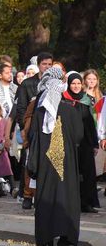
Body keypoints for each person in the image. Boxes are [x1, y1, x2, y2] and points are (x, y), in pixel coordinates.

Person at [28, 67, 83, 246]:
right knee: (67, 198)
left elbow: (33, 137)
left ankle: (46, 237)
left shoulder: (40, 112)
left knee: (46, 200)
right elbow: (78, 137)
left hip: (45, 167)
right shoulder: (71, 110)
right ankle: (66, 237)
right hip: (66, 166)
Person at [15, 52, 53, 209]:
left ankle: (43, 195)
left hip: (49, 129)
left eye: (50, 64)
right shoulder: (28, 84)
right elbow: (21, 108)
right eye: (44, 64)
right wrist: (24, 129)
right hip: (32, 129)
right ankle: (27, 195)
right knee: (30, 162)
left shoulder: (55, 84)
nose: (47, 67)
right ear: (38, 65)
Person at [64, 72, 100, 212]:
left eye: (79, 83)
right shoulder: (63, 99)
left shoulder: (85, 100)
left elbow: (90, 123)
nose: (76, 86)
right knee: (71, 173)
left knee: (87, 173)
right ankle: (71, 202)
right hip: (69, 142)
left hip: (85, 143)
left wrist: (94, 144)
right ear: (69, 84)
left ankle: (86, 203)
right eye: (73, 83)